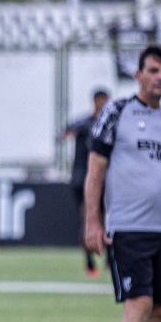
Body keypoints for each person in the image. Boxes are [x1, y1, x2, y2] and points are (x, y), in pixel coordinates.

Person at [85, 46, 161, 322]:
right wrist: (92, 221)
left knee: (160, 310)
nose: (159, 77)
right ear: (138, 75)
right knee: (140, 302)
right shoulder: (117, 112)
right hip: (129, 227)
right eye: (153, 70)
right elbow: (95, 169)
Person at [59, 88, 110, 277]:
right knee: (88, 217)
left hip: (104, 178)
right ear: (95, 102)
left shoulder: (110, 125)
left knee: (107, 219)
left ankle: (109, 258)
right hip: (82, 178)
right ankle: (89, 261)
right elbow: (64, 133)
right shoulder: (84, 124)